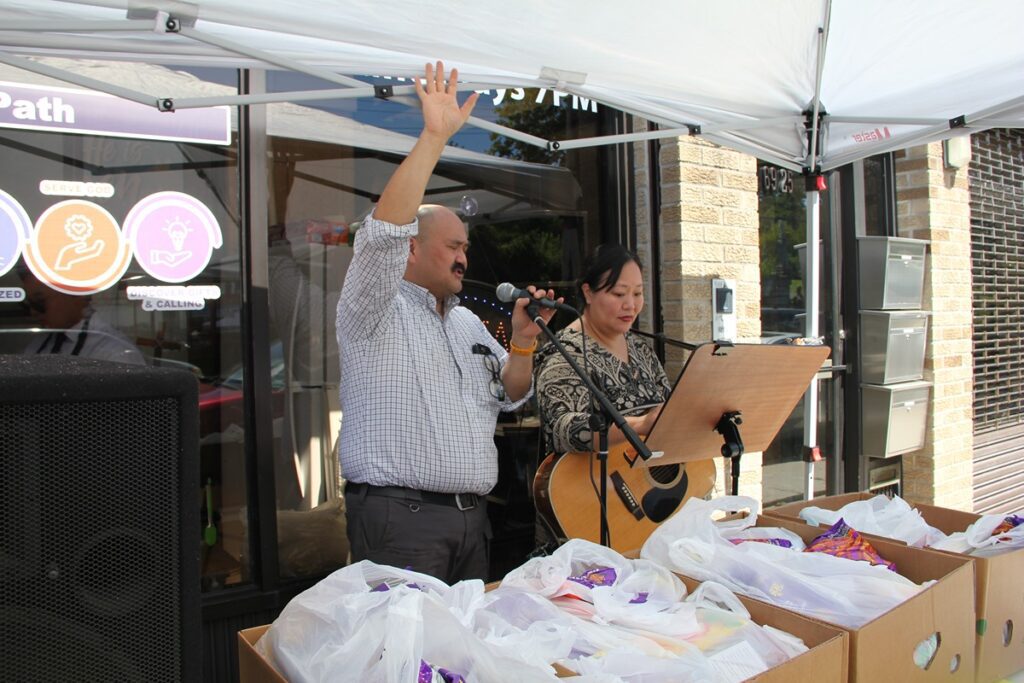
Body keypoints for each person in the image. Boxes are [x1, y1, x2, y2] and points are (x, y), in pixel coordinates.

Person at [336, 61, 560, 583]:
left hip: (471, 521)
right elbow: (383, 231)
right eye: (454, 247)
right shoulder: (373, 308)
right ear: (411, 250)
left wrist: (524, 343)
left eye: (466, 248)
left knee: (457, 656)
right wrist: (434, 137)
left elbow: (511, 392)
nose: (465, 259)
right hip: (401, 522)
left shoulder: (467, 324)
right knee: (409, 656)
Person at [532, 245, 671, 548]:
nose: (630, 305)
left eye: (637, 293)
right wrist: (641, 424)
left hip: (650, 512)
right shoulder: (565, 352)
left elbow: (667, 411)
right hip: (591, 515)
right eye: (619, 294)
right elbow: (564, 429)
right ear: (588, 292)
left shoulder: (642, 351)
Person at [19, 266, 146, 365]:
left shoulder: (115, 353)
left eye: (39, 302)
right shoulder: (39, 344)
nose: (33, 312)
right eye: (28, 304)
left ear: (74, 293)